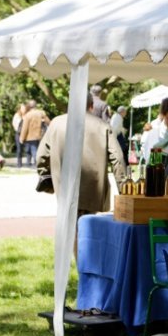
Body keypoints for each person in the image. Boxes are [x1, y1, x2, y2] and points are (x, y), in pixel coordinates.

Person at [37, 93, 127, 237]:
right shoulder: (102, 125)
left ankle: (78, 257)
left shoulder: (56, 123)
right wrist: (123, 187)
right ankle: (85, 258)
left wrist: (46, 177)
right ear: (91, 106)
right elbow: (117, 158)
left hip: (65, 185)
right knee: (90, 231)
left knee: (70, 230)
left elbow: (42, 155)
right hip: (94, 188)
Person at [20, 101, 48, 169]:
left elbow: (25, 128)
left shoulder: (28, 115)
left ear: (29, 106)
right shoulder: (41, 113)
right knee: (35, 150)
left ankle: (34, 164)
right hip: (40, 135)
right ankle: (30, 164)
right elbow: (48, 122)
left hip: (30, 136)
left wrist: (22, 137)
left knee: (31, 150)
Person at [11, 103, 27, 169]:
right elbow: (15, 124)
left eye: (24, 108)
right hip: (19, 133)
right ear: (20, 109)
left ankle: (28, 162)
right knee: (19, 149)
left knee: (27, 149)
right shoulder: (17, 115)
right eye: (22, 108)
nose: (24, 109)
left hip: (26, 134)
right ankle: (19, 163)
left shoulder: (27, 115)